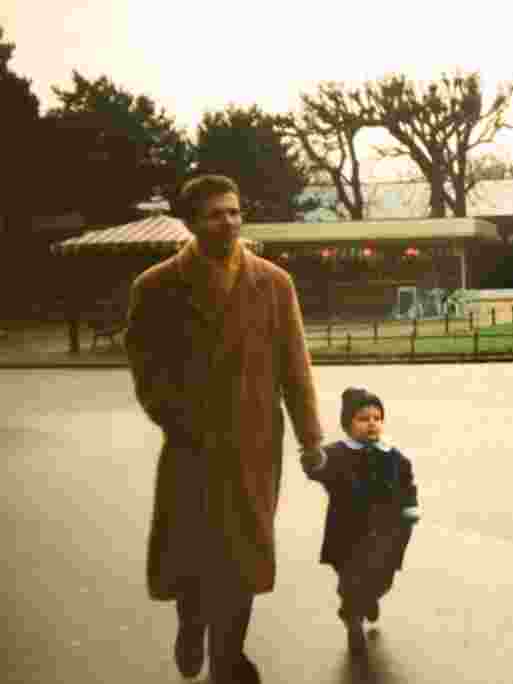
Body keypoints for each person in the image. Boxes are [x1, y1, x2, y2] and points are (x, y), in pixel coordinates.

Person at [124, 174, 327, 684]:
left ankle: (228, 656)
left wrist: (311, 437)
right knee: (192, 551)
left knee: (245, 555)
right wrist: (178, 420)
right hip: (192, 445)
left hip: (256, 444)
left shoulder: (275, 283)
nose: (229, 222)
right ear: (191, 222)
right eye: (216, 214)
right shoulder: (156, 287)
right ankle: (191, 626)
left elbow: (295, 367)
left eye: (235, 212)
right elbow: (147, 372)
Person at [303, 387, 418, 657]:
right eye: (363, 418)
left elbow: (406, 482)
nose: (372, 423)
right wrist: (312, 462)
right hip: (348, 534)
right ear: (348, 424)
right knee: (352, 580)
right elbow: (318, 468)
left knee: (383, 578)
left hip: (385, 533)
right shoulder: (337, 454)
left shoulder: (392, 455)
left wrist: (410, 506)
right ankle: (352, 619)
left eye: (377, 418)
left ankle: (371, 597)